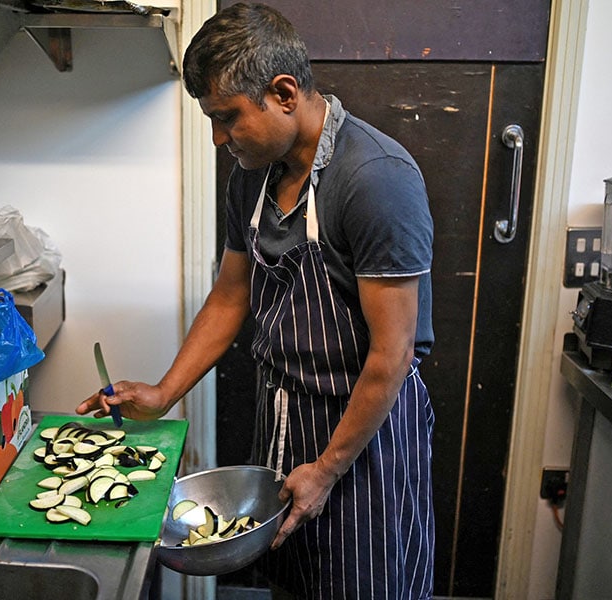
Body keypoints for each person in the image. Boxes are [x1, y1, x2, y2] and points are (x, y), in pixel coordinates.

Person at [77, 3, 435, 598]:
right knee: (295, 582)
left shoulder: (375, 180)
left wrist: (327, 468)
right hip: (284, 417)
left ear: (285, 93)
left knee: (362, 583)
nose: (218, 138)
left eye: (227, 117)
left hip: (363, 432)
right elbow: (229, 296)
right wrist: (165, 392)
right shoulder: (253, 173)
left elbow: (391, 356)